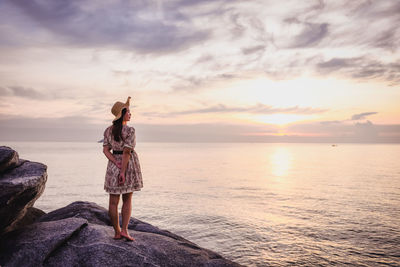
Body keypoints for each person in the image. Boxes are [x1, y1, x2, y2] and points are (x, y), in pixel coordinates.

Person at [103, 96, 143, 241]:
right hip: (128, 166)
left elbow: (106, 150)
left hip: (113, 166)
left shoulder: (108, 130)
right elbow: (127, 152)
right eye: (129, 112)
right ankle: (125, 230)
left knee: (113, 202)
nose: (130, 114)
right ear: (123, 113)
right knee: (127, 199)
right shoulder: (130, 130)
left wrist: (115, 162)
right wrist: (122, 170)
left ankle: (117, 232)